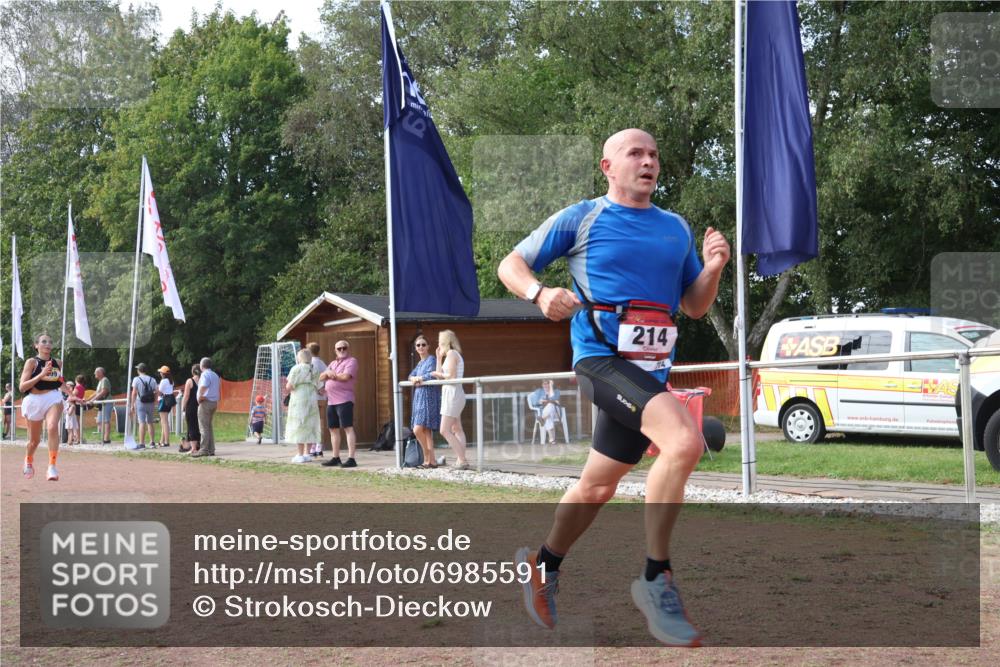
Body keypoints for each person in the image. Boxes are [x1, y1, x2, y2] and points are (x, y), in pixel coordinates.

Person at [497, 128, 730, 646]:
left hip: (650, 374)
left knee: (598, 486)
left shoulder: (675, 228)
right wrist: (539, 294)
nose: (648, 161)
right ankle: (655, 578)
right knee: (685, 442)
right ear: (608, 167)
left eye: (654, 154)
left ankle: (542, 564)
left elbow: (693, 305)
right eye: (635, 153)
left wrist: (713, 267)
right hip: (601, 361)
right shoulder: (583, 217)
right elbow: (510, 264)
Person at [19, 332, 71, 481]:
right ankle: (28, 460)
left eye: (49, 342)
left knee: (52, 426)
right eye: (43, 341)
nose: (47, 344)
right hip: (34, 400)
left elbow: (59, 381)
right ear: (36, 346)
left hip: (52, 398)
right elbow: (22, 387)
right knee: (34, 441)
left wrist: (71, 394)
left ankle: (52, 467)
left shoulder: (58, 363)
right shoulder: (31, 363)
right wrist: (40, 375)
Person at [430, 329, 470, 470]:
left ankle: (462, 459)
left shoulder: (452, 354)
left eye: (440, 342)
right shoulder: (450, 356)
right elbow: (440, 375)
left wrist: (437, 374)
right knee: (456, 428)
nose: (438, 345)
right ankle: (461, 459)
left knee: (444, 430)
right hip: (452, 393)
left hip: (453, 393)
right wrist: (439, 359)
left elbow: (451, 376)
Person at [320, 340, 359, 468]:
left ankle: (351, 458)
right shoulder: (332, 363)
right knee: (333, 429)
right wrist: (327, 373)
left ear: (348, 348)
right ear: (335, 350)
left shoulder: (352, 361)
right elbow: (321, 377)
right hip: (331, 401)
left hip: (345, 399)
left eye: (344, 348)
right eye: (339, 348)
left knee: (348, 428)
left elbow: (345, 377)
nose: (342, 350)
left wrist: (331, 375)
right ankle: (335, 457)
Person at [408, 334, 441, 468]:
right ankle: (431, 461)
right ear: (415, 348)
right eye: (418, 345)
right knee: (426, 431)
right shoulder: (419, 363)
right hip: (419, 397)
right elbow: (411, 375)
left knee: (417, 429)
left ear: (428, 347)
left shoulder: (431, 359)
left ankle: (427, 455)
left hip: (429, 396)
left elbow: (432, 374)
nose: (421, 347)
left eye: (423, 345)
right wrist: (414, 379)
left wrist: (419, 378)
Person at [285, 349, 322, 462]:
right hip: (311, 399)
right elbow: (319, 386)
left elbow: (289, 386)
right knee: (310, 424)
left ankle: (300, 454)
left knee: (299, 424)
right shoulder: (314, 369)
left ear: (299, 357)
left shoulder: (296, 368)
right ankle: (307, 454)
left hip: (299, 399)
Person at [192, 357, 220, 458]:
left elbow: (203, 387)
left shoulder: (205, 375)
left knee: (203, 427)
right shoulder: (215, 375)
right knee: (208, 426)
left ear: (202, 365)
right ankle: (211, 449)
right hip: (214, 402)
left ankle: (203, 449)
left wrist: (199, 398)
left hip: (205, 402)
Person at [130, 363, 158, 449]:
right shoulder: (152, 379)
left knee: (142, 422)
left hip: (140, 403)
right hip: (150, 403)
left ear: (139, 370)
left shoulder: (136, 379)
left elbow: (134, 393)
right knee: (150, 422)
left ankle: (142, 443)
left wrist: (132, 404)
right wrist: (155, 402)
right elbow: (156, 391)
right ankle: (152, 442)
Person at [307, 342, 327, 458]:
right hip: (322, 396)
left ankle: (313, 446)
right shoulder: (322, 363)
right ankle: (319, 446)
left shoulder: (310, 364)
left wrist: (318, 387)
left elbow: (310, 379)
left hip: (312, 396)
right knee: (320, 421)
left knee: (312, 422)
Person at [529, 380, 562, 445]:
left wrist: (551, 387)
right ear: (542, 384)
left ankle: (542, 419)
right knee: (548, 415)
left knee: (551, 405)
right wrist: (540, 401)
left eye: (548, 383)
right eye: (544, 384)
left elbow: (553, 398)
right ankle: (552, 439)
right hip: (544, 411)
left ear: (551, 384)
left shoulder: (556, 391)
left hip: (556, 412)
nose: (546, 385)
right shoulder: (539, 391)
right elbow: (534, 402)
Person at [87, 367, 113, 444]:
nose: (94, 373)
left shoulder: (105, 380)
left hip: (106, 402)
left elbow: (104, 392)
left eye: (96, 372)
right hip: (102, 403)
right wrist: (88, 399)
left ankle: (106, 439)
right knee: (99, 421)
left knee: (106, 421)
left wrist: (93, 400)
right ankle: (103, 437)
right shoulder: (101, 381)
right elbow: (96, 392)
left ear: (100, 373)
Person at [180, 365, 201, 453]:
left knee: (191, 426)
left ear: (192, 371)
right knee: (199, 426)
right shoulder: (202, 380)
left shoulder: (190, 381)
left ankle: (193, 448)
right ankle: (199, 445)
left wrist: (182, 407)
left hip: (191, 407)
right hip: (200, 406)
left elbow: (186, 396)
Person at [156, 366, 175, 448]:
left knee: (164, 422)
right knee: (164, 422)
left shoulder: (163, 381)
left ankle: (167, 441)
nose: (160, 373)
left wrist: (155, 390)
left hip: (163, 401)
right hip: (169, 401)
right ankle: (162, 441)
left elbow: (159, 392)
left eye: (160, 372)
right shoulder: (171, 381)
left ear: (163, 374)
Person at [63, 381, 80, 445]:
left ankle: (70, 441)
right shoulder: (70, 404)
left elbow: (69, 413)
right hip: (69, 418)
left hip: (69, 418)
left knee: (70, 431)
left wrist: (66, 411)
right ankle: (70, 440)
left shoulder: (72, 406)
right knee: (69, 430)